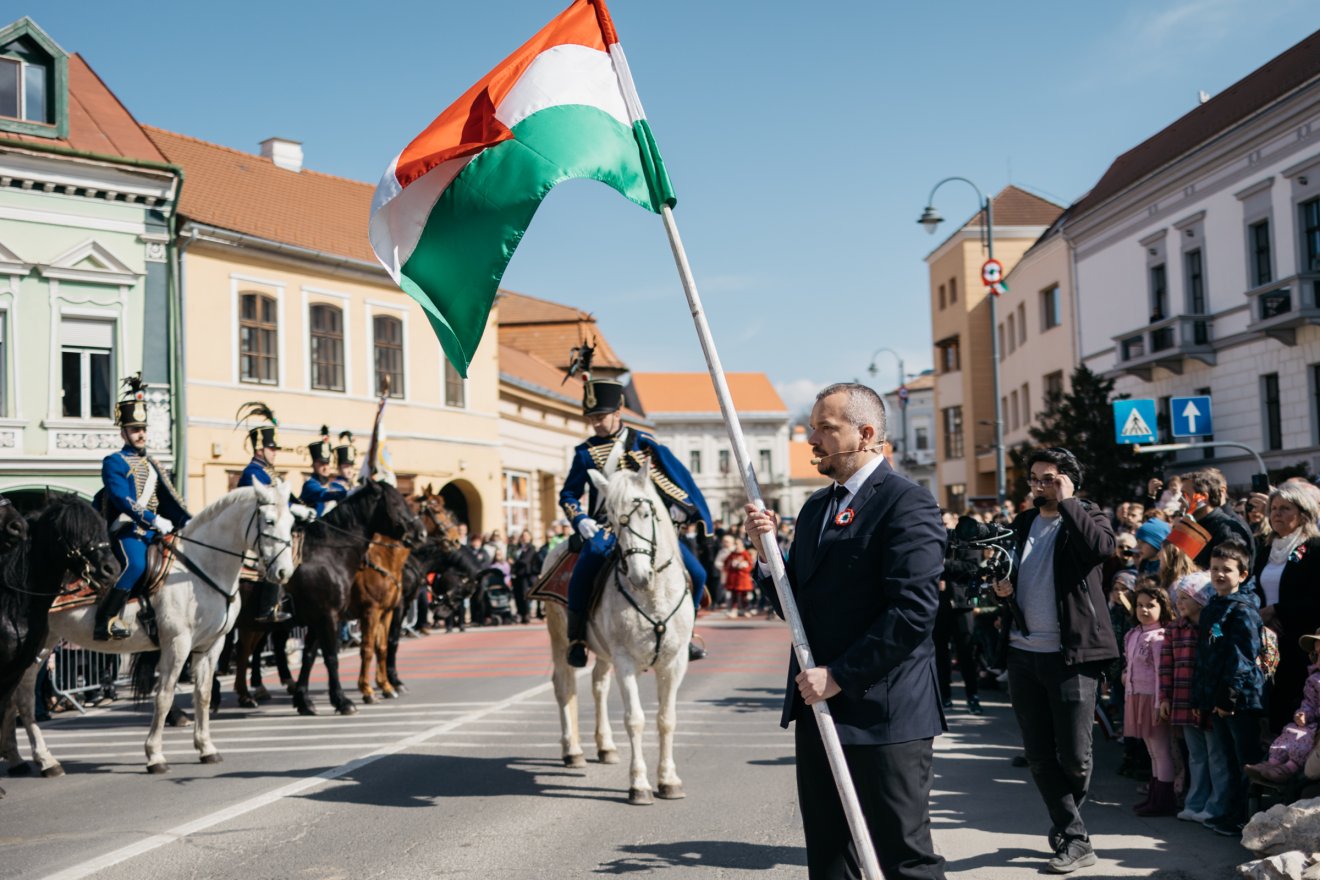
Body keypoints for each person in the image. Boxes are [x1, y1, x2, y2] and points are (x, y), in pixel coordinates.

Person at [745, 382, 946, 880]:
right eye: (812, 428)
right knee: (830, 854)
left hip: (885, 713)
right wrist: (770, 561)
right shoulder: (816, 507)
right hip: (821, 708)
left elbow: (914, 612)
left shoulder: (906, 504)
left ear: (866, 433)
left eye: (825, 429)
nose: (812, 439)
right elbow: (801, 607)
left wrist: (840, 675)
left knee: (903, 858)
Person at [991, 447, 1118, 874]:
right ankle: (1075, 835)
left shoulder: (1088, 516)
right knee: (1040, 753)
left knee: (1076, 757)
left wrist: (1068, 503)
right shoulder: (1024, 522)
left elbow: (1101, 549)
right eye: (1034, 478)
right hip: (1023, 652)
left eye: (1047, 478)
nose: (1038, 485)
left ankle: (1068, 826)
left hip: (1072, 655)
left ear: (1067, 480)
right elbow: (1008, 568)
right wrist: (1003, 588)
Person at [559, 373, 711, 668]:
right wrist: (580, 520)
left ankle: (687, 633)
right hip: (605, 526)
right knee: (582, 573)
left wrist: (682, 509)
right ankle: (577, 638)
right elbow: (569, 494)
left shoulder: (644, 445)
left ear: (618, 412)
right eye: (592, 418)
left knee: (699, 573)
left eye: (601, 416)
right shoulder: (585, 452)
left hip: (648, 526)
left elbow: (674, 481)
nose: (597, 423)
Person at [94, 376, 191, 641]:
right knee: (135, 564)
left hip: (153, 531)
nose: (141, 434)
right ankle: (106, 620)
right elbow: (120, 498)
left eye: (143, 429)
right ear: (123, 432)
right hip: (127, 529)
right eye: (135, 429)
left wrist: (187, 523)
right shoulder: (114, 461)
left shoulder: (153, 464)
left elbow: (170, 500)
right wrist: (152, 518)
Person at [1192, 540, 1264, 836]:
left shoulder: (1242, 610)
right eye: (1215, 569)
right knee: (1229, 759)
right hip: (1216, 696)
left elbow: (1242, 658)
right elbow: (1206, 654)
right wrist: (1202, 697)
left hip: (1239, 699)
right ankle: (1232, 813)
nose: (1220, 574)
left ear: (1243, 575)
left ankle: (1249, 818)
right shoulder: (1213, 606)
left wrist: (1228, 696)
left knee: (1245, 760)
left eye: (1228, 570)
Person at [1251, 481, 1320, 735]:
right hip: (1268, 638)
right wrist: (1262, 614)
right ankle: (1275, 763)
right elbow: (1254, 589)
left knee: (1299, 708)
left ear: (1303, 513)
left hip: (1301, 641)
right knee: (1275, 706)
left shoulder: (1312, 549)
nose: (1276, 514)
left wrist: (1277, 610)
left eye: (1285, 508)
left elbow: (1316, 598)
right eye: (1273, 508)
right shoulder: (1266, 548)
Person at [1161, 581, 1228, 823]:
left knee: (1216, 754)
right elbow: (1165, 666)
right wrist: (1164, 697)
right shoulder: (1174, 629)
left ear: (1201, 600)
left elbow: (1221, 651)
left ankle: (1216, 805)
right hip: (1183, 700)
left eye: (1184, 597)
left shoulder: (1213, 628)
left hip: (1208, 701)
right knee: (1196, 754)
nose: (1178, 603)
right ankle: (1195, 802)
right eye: (1177, 597)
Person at [235, 401, 291, 623]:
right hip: (254, 531)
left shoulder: (270, 473)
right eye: (272, 448)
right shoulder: (253, 473)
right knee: (275, 555)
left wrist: (300, 506)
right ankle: (268, 607)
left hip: (270, 524)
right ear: (260, 449)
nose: (275, 452)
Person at [1123, 584, 1176, 816]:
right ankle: (1154, 796)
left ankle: (1164, 799)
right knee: (1151, 750)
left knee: (1161, 749)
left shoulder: (1159, 637)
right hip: (1136, 696)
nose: (1144, 610)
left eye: (1150, 606)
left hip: (1152, 698)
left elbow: (1160, 673)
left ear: (1162, 607)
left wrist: (1159, 703)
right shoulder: (1134, 633)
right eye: (1140, 605)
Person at [1245, 627, 1320, 785]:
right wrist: (1303, 714)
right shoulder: (1314, 680)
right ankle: (1272, 762)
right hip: (1312, 722)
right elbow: (1309, 703)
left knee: (1307, 738)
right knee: (1291, 730)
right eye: (1316, 655)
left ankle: (1289, 768)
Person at [1180, 469, 1254, 571]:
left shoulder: (1227, 530)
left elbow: (1228, 576)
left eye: (1185, 494)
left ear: (1203, 497)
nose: (1180, 500)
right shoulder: (1191, 525)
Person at [300, 426, 348, 517]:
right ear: (313, 465)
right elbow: (322, 494)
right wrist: (346, 493)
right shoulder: (310, 485)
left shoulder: (337, 486)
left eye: (327, 463)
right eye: (321, 464)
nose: (325, 467)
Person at [722, 537, 755, 617]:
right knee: (734, 595)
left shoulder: (745, 553)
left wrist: (743, 566)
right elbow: (726, 563)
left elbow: (750, 565)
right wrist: (731, 564)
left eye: (738, 544)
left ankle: (745, 609)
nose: (737, 546)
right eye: (736, 544)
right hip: (734, 578)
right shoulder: (732, 554)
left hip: (743, 578)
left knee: (744, 595)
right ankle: (734, 610)